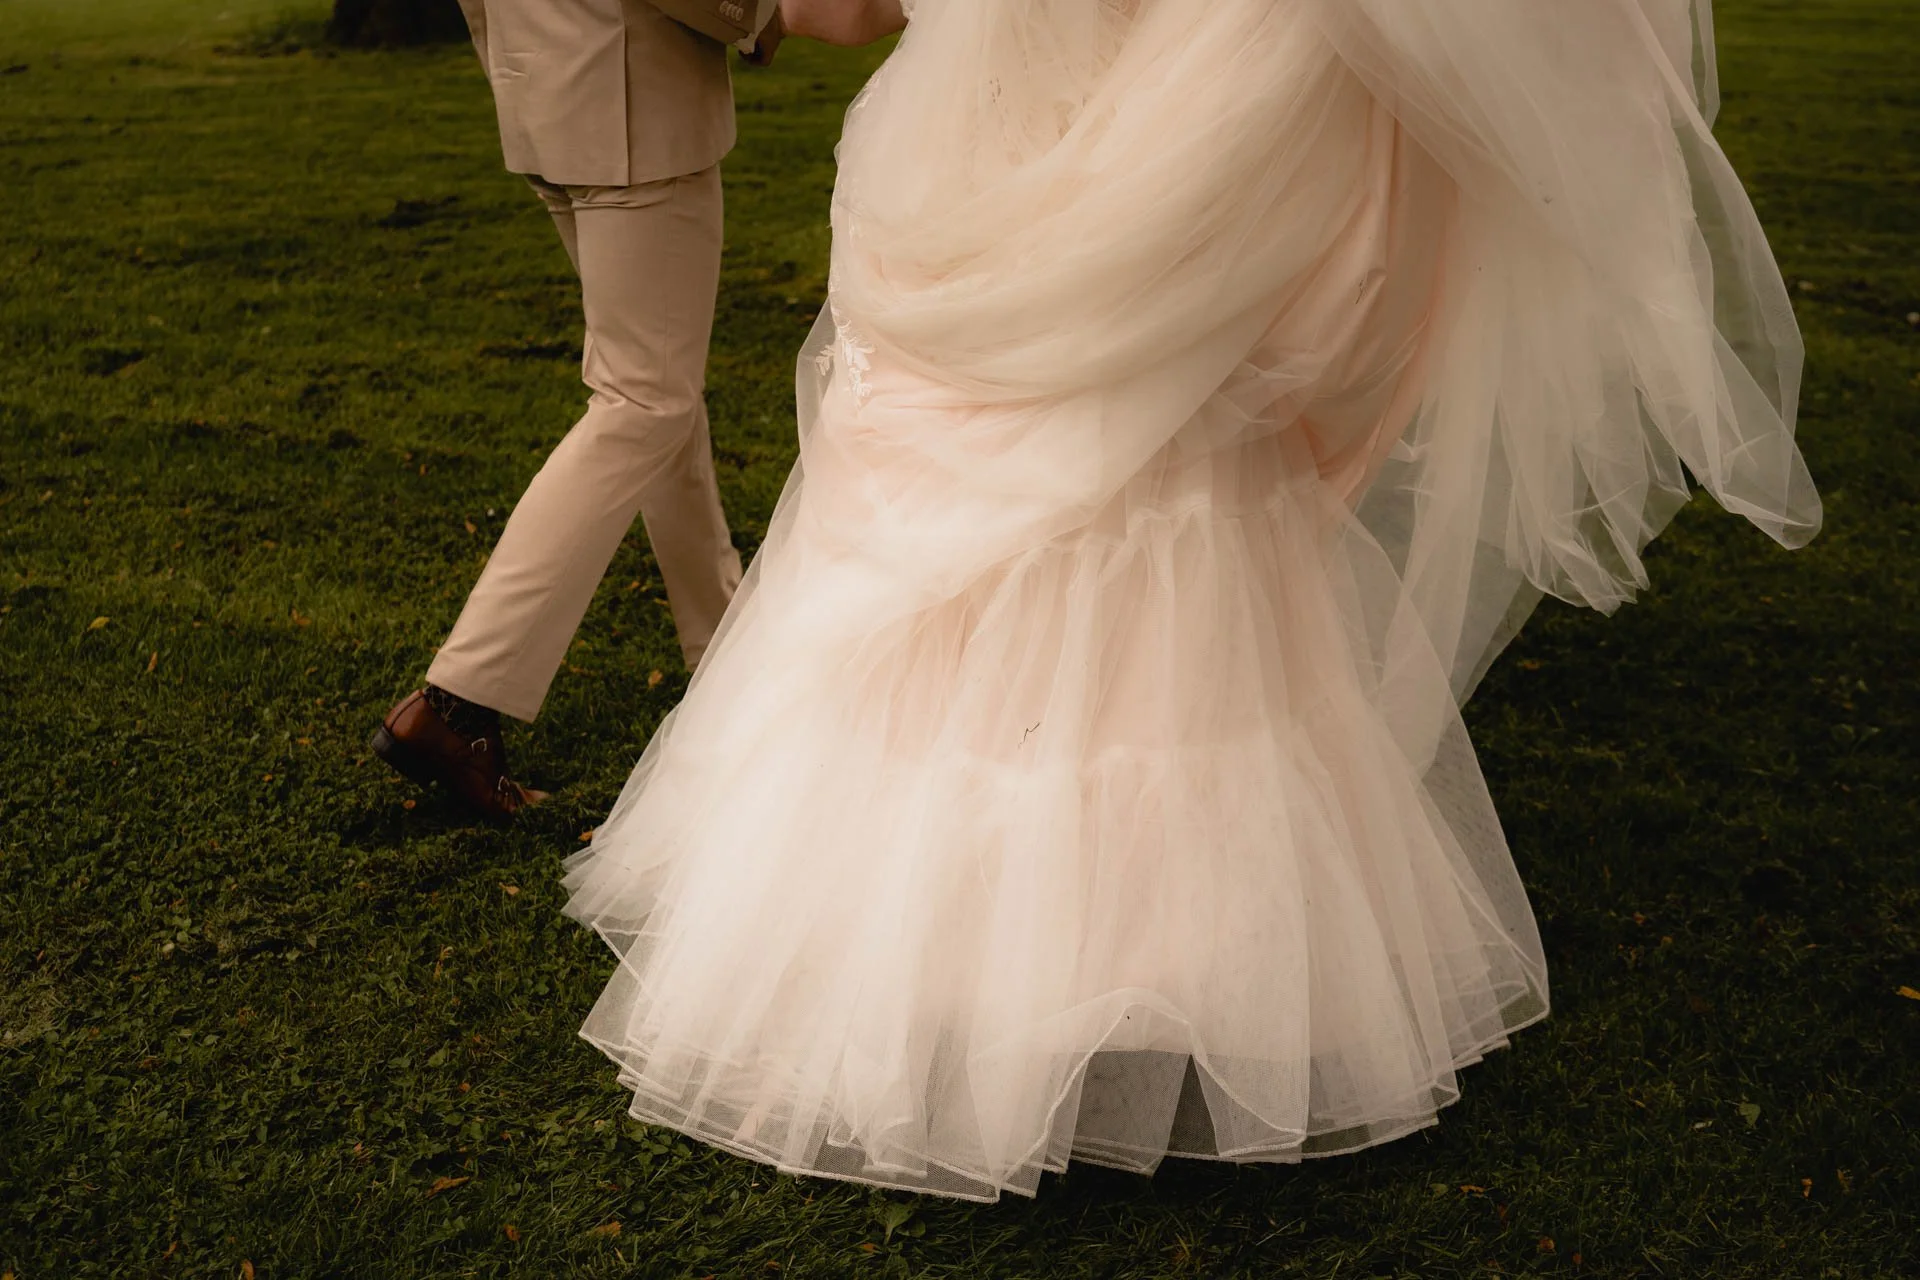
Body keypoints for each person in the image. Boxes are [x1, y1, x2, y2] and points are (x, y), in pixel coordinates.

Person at [560, 0, 1821, 1201]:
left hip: (1046, 145)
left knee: (1104, 463)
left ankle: (963, 967)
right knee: (1150, 452)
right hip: (1101, 137)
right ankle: (1130, 969)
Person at [371, 0, 782, 820]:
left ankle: (726, 643)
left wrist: (515, 68)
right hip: (630, 101)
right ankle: (456, 702)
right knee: (644, 400)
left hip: (552, 92)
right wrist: (758, 13)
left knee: (656, 388)